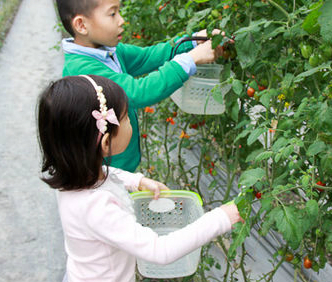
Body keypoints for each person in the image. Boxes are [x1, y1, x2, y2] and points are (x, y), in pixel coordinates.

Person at [37, 75, 242, 282]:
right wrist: (223, 217)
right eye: (126, 118)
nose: (130, 120)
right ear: (106, 142)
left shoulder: (73, 176)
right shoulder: (98, 207)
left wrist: (137, 181)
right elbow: (160, 250)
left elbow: (109, 172)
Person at [55, 0, 229, 172]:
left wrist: (193, 40)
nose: (121, 21)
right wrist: (190, 60)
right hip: (103, 174)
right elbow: (138, 92)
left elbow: (149, 56)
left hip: (122, 166)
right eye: (112, 14)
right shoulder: (83, 71)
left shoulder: (110, 51)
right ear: (81, 25)